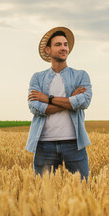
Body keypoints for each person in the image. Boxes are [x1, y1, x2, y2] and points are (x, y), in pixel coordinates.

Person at [26, 26, 92, 181]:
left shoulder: (81, 76)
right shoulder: (37, 78)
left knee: (83, 193)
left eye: (65, 44)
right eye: (58, 45)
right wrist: (69, 100)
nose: (64, 48)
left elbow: (84, 101)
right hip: (44, 145)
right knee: (44, 196)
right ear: (48, 50)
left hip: (74, 143)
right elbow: (34, 107)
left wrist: (47, 99)